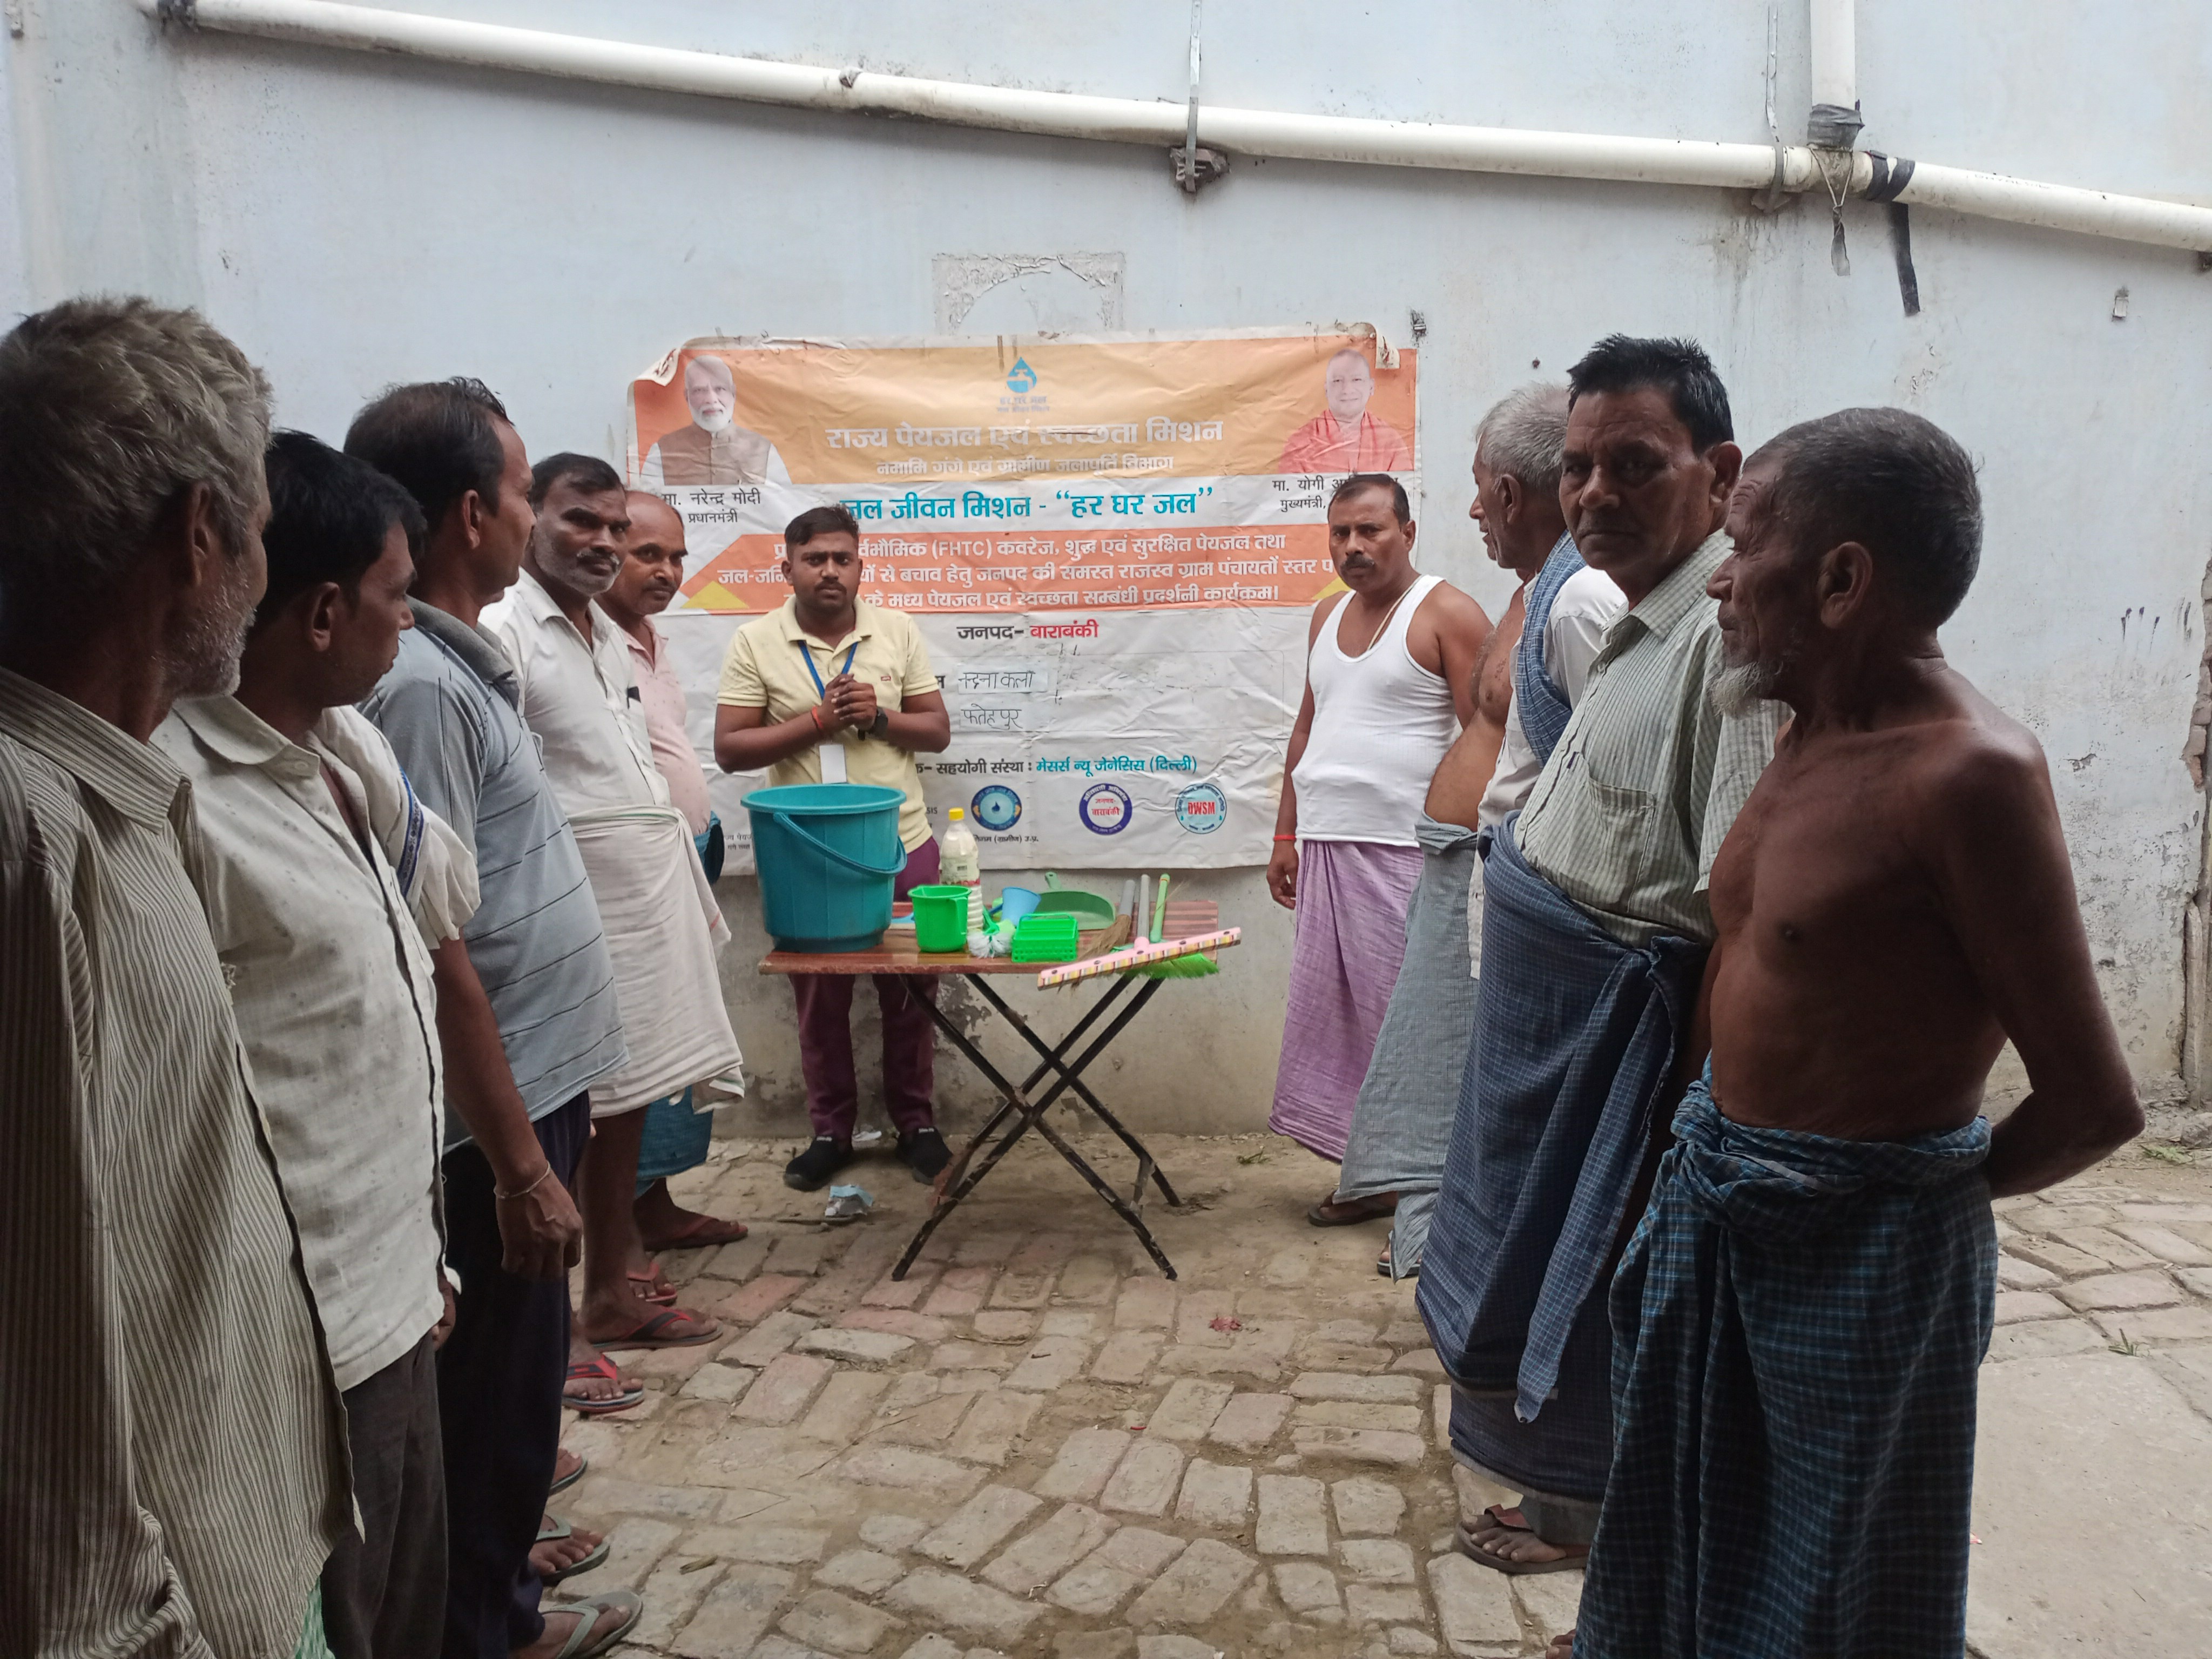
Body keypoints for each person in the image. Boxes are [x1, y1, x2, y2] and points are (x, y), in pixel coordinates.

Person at [1555, 410, 2144, 1658]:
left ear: (1840, 580)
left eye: (1742, 544)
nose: (1718, 578)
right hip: (1716, 1207)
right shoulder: (1800, 730)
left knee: (1833, 1589)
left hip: (1865, 1259)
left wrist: (1895, 1210)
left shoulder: (1969, 776)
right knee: (1685, 1526)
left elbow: (2093, 1103)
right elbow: (1755, 964)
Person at [0, 296, 348, 1657]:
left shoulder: (123, 796)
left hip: (250, 1545)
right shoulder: (31, 830)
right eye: (257, 531)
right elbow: (37, 1340)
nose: (261, 575)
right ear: (200, 533)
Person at [1416, 336, 1784, 1574]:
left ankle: (1635, 1595)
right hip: (1563, 1066)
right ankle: (1619, 1582)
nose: (1592, 494)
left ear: (1717, 472)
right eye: (1577, 467)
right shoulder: (1638, 624)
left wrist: (1679, 1136)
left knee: (1616, 1347)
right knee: (1565, 1332)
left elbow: (1737, 920)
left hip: (1626, 1092)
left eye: (1633, 465)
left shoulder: (1725, 649)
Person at [156, 431, 474, 1659]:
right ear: (325, 612)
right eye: (399, 595)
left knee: (408, 1603)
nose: (412, 622)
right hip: (304, 1341)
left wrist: (427, 1258)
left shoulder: (340, 757)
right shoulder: (178, 795)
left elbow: (366, 1039)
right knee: (343, 1615)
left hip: (397, 1289)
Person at [350, 383, 640, 1659]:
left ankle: (498, 1589)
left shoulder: (456, 662)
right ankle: (484, 1625)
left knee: (516, 1385)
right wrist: (520, 1163)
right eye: (525, 493)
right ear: (472, 513)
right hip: (494, 1114)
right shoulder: (417, 686)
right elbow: (434, 938)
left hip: (533, 1087)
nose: (531, 515)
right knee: (490, 1397)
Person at [1334, 386, 1622, 1278]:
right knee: (1445, 1064)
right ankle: (1450, 1236)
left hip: (1520, 882)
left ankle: (1489, 1251)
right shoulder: (1536, 592)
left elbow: (1610, 763)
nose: (1470, 512)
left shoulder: (1582, 600)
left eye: (1476, 488)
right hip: (1465, 868)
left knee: (1491, 1073)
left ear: (1507, 492)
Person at [481, 455, 740, 1357]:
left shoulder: (602, 633)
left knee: (625, 1095)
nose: (602, 543)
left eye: (613, 528)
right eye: (580, 522)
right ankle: (544, 1334)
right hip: (559, 912)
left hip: (638, 906)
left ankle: (608, 1296)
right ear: (529, 520)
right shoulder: (505, 628)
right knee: (559, 1107)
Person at [1267, 473, 1491, 1225]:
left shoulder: (1447, 612)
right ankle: (1368, 1174)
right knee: (1339, 1023)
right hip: (1327, 845)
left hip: (1406, 854)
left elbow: (1486, 736)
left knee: (1409, 1021)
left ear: (1408, 532)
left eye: (1370, 530)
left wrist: (1472, 851)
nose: (1353, 547)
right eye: (1341, 533)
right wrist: (1286, 832)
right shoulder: (1325, 615)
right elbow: (1307, 726)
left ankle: (1433, 1186)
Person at [714, 503, 955, 1190]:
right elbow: (730, 749)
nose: (829, 571)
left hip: (901, 844)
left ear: (859, 566)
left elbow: (937, 732)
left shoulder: (896, 629)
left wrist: (876, 718)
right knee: (820, 1003)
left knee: (912, 994)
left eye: (841, 559)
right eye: (813, 558)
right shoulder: (755, 640)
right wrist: (818, 721)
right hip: (808, 858)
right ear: (786, 568)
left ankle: (916, 1125)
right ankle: (830, 1132)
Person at [597, 488, 752, 1254]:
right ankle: (618, 1234)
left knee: (680, 1041)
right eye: (646, 554)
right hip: (630, 880)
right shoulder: (585, 643)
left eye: (676, 557)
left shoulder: (651, 639)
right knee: (636, 1053)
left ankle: (654, 1204)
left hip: (688, 854)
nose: (665, 571)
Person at [637, 353, 792, 488]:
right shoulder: (663, 450)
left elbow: (784, 504)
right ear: (687, 397)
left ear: (733, 394)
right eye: (699, 390)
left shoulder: (763, 450)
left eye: (720, 389)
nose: (711, 400)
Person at [1276, 347, 1413, 473]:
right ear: (1326, 389)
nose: (1347, 390)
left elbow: (1402, 490)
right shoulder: (1300, 443)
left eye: (1357, 380)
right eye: (1337, 381)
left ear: (1371, 387)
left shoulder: (1390, 441)